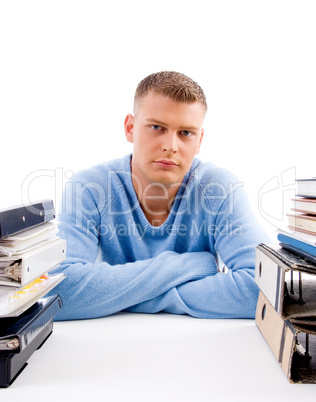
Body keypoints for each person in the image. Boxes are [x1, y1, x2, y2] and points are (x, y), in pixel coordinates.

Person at [50, 71, 268, 321]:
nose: (171, 146)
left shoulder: (219, 189)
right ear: (130, 128)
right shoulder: (89, 188)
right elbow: (60, 292)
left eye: (186, 133)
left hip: (200, 348)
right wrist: (191, 265)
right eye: (156, 127)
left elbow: (264, 289)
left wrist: (120, 297)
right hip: (113, 346)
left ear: (199, 141)